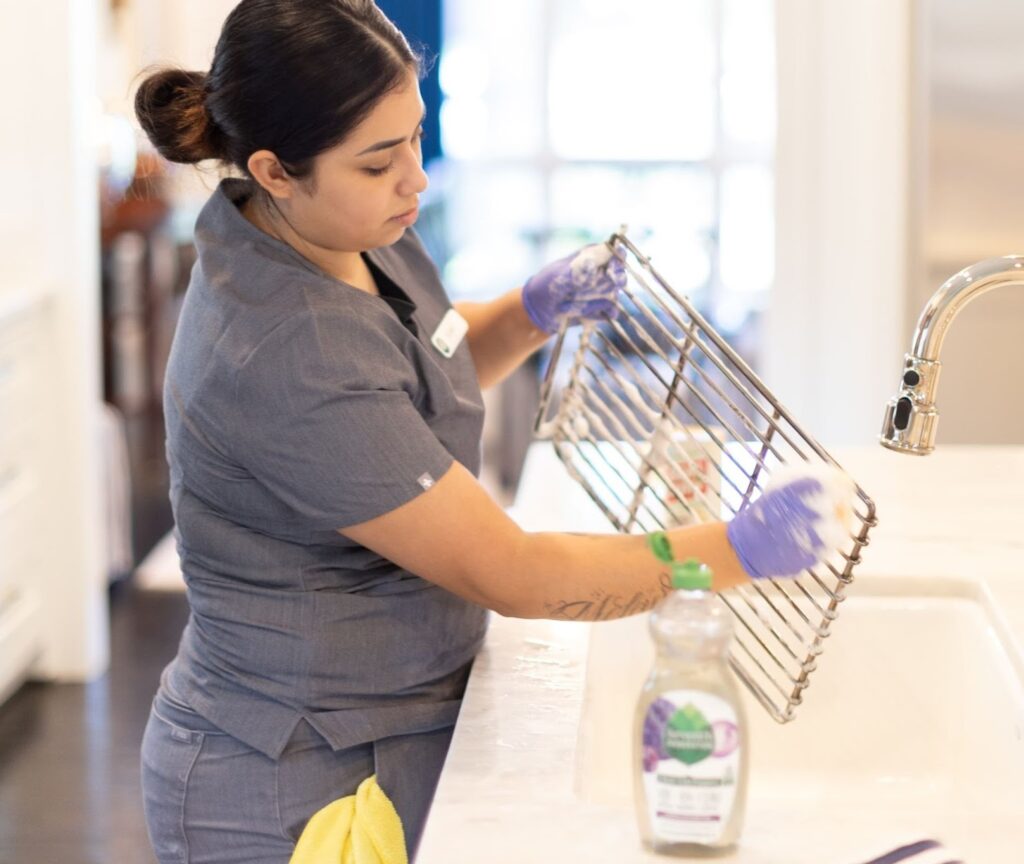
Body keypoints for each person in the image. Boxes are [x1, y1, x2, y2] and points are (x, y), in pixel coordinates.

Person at [133, 2, 847, 862]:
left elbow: (407, 368)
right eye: (376, 161)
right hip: (288, 785)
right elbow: (514, 572)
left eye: (413, 136)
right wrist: (735, 550)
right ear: (274, 170)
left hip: (389, 724)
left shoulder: (342, 229)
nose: (415, 180)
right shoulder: (283, 351)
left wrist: (528, 312)